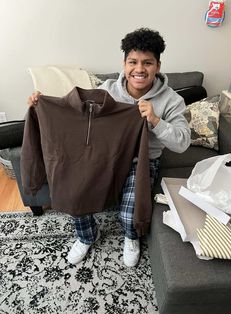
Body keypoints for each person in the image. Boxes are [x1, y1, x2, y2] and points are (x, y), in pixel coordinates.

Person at [27, 27, 191, 267]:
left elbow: (182, 143)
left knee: (129, 213)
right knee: (76, 193)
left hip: (141, 162)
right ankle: (86, 235)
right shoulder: (107, 91)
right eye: (133, 61)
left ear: (157, 65)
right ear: (124, 63)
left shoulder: (172, 100)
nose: (139, 69)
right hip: (105, 159)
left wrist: (155, 121)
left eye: (147, 63)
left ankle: (131, 237)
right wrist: (42, 103)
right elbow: (74, 112)